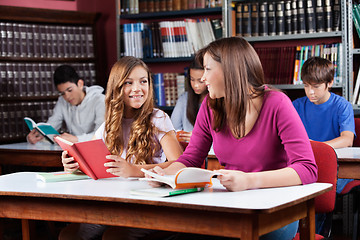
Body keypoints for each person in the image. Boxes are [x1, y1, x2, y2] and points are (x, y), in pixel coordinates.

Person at [145, 37, 318, 240]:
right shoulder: (210, 106)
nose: (203, 79)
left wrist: (249, 180)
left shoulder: (277, 103)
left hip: (275, 211)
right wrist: (164, 175)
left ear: (231, 70)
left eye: (208, 69)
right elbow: (190, 159)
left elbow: (307, 169)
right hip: (229, 206)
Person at [59, 56, 183, 240]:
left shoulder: (158, 118)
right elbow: (92, 164)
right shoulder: (109, 124)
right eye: (128, 83)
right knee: (69, 235)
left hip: (148, 205)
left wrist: (134, 170)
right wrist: (74, 165)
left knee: (114, 237)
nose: (137, 89)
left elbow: (180, 165)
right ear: (117, 87)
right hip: (114, 204)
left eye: (143, 81)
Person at [292, 56, 356, 236]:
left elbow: (347, 139)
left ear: (329, 83)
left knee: (319, 190)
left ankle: (315, 234)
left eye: (316, 86)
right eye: (306, 86)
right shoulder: (296, 106)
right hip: (303, 165)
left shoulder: (342, 106)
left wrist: (316, 148)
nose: (310, 92)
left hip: (334, 168)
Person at [26, 65, 105, 144]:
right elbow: (52, 126)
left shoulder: (100, 100)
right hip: (73, 149)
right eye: (62, 93)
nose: (67, 97)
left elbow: (102, 135)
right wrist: (37, 137)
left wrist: (76, 139)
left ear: (80, 84)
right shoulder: (62, 101)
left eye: (70, 90)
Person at [171, 59, 207, 143]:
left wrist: (199, 137)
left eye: (200, 81)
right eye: (192, 79)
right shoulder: (184, 99)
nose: (195, 85)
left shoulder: (218, 100)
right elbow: (173, 129)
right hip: (188, 148)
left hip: (211, 152)